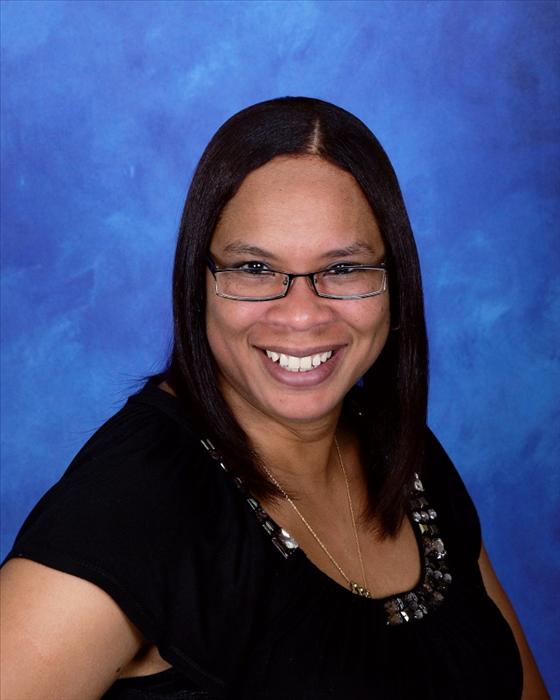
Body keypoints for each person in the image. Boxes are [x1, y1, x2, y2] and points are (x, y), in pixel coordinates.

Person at [0, 97, 549, 700]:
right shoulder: (131, 504)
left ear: (394, 281)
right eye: (255, 268)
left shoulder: (402, 451)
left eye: (344, 268)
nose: (302, 314)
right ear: (198, 284)